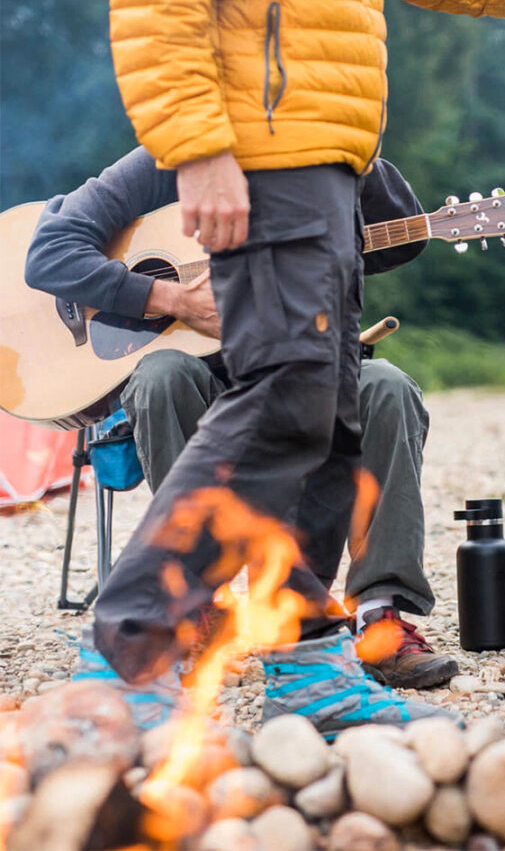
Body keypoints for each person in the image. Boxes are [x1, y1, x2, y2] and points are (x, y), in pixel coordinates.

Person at [91, 0, 505, 735]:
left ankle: (306, 662)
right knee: (281, 396)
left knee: (329, 418)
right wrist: (197, 147)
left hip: (334, 160)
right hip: (270, 145)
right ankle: (132, 641)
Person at [25, 146, 458, 699]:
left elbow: (409, 236)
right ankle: (199, 602)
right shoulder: (168, 159)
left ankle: (379, 613)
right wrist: (169, 297)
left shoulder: (321, 158)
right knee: (160, 375)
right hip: (201, 387)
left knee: (389, 388)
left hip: (309, 373)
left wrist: (364, 156)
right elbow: (47, 254)